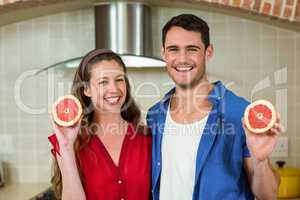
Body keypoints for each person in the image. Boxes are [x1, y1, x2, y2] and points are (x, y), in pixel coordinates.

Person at [146, 14, 282, 200]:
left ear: (208, 52)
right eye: (173, 49)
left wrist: (260, 162)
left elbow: (268, 195)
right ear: (164, 54)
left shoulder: (239, 113)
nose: (182, 58)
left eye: (192, 49)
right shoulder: (155, 115)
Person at [48, 49, 151, 200]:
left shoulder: (147, 138)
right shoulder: (71, 143)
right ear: (86, 90)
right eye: (103, 82)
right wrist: (66, 147)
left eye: (119, 79)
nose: (114, 89)